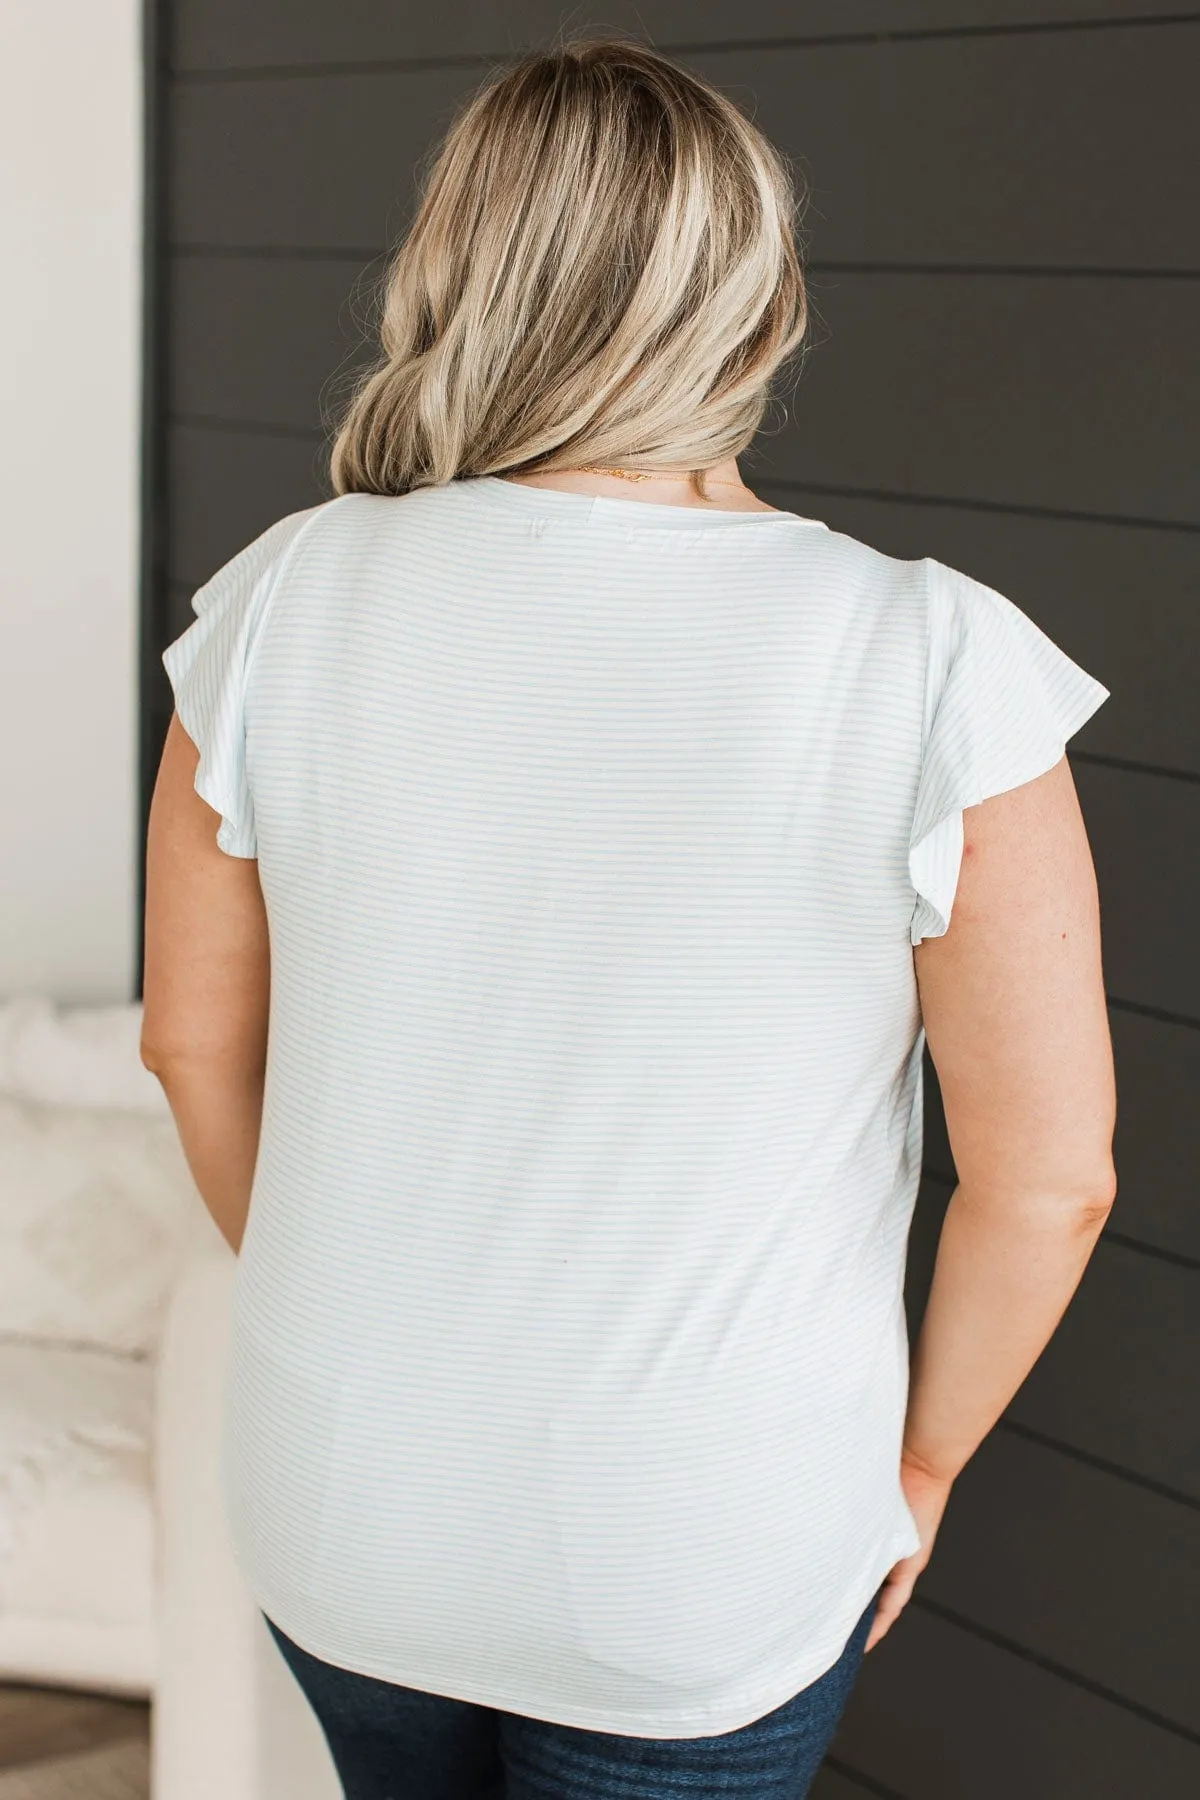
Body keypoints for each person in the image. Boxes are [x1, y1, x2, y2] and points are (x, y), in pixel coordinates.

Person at [141, 33, 1117, 1800]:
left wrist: (350, 1307)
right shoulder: (927, 656)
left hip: (340, 1501)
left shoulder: (283, 597)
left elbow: (190, 1042)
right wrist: (921, 1473)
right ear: (761, 308)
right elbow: (1052, 1179)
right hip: (698, 1550)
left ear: (450, 278)